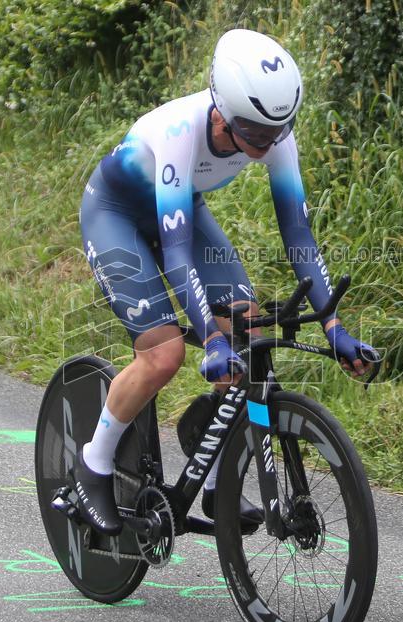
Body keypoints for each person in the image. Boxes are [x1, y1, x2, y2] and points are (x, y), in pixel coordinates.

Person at [74, 29, 375, 535]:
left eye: (276, 132)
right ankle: (94, 464)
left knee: (251, 335)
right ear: (222, 113)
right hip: (118, 216)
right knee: (164, 355)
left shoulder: (272, 131)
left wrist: (335, 329)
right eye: (254, 135)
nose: (267, 145)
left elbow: (300, 238)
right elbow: (175, 249)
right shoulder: (178, 132)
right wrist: (209, 339)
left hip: (182, 211)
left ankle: (215, 479)